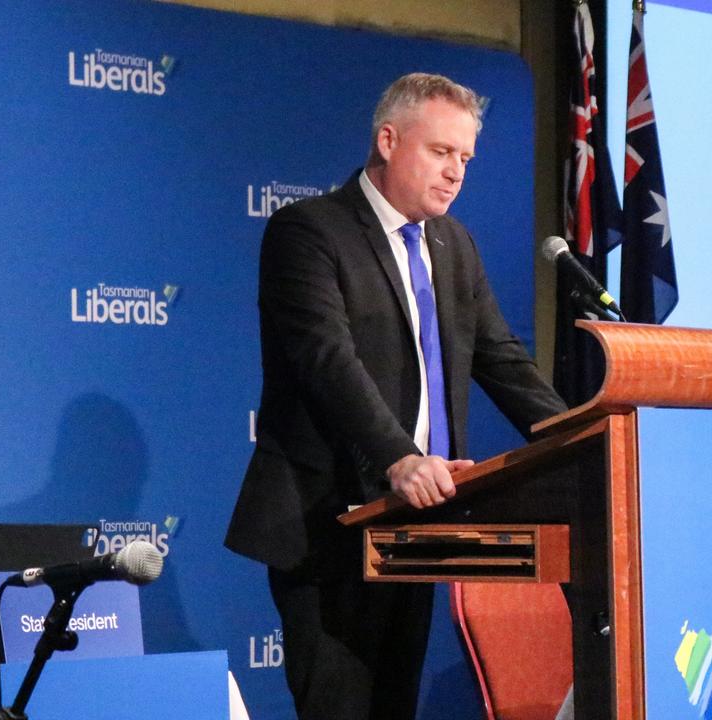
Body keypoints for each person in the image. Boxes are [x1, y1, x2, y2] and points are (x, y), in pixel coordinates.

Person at [224, 72, 567, 720]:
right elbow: (328, 360)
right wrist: (400, 458)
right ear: (388, 140)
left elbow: (500, 359)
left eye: (465, 158)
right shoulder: (309, 232)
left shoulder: (453, 244)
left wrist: (577, 439)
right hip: (326, 523)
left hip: (412, 531)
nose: (456, 172)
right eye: (441, 152)